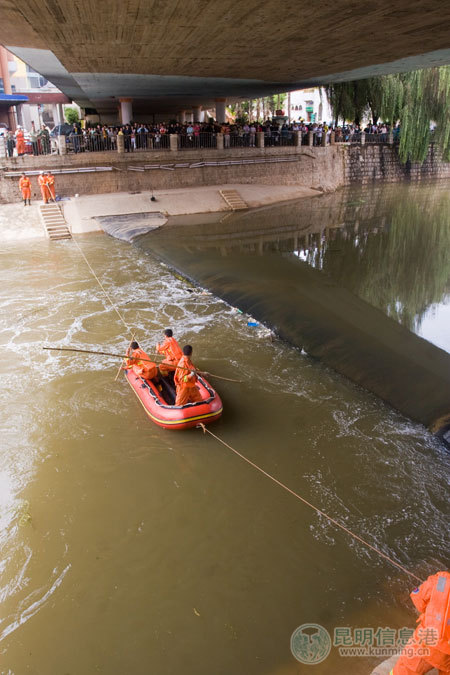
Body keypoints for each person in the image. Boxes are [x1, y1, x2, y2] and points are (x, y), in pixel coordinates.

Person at [391, 571, 450, 675]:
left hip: (425, 641)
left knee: (405, 669)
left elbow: (419, 602)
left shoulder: (441, 579)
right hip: (447, 654)